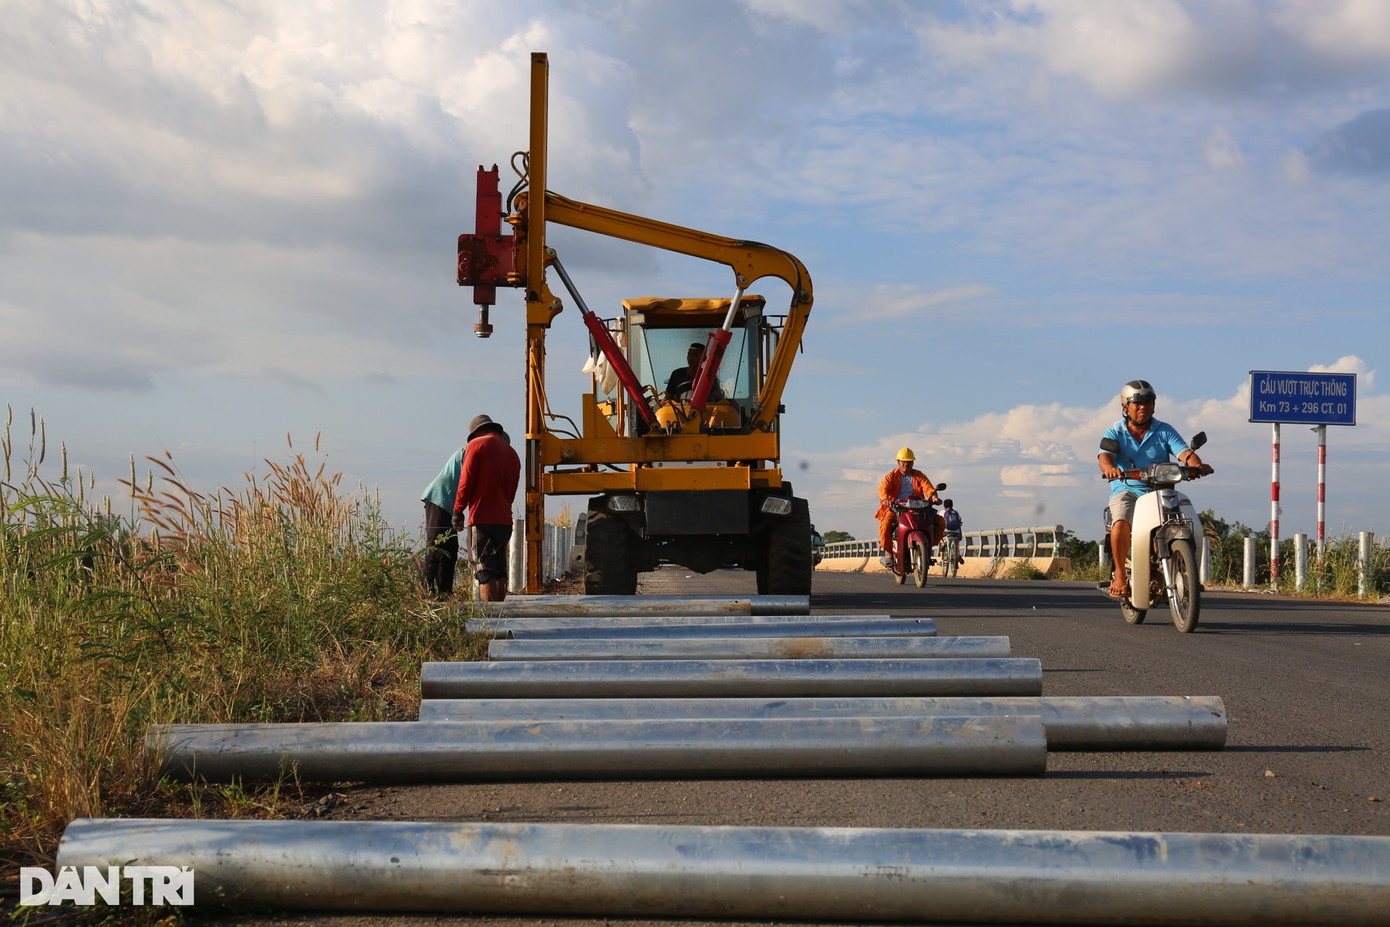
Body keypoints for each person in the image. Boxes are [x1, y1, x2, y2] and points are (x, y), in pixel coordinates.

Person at [1097, 379, 1211, 598]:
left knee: (1185, 521)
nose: (1143, 406)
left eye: (1148, 401)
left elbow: (1184, 453)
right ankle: (1120, 574)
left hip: (1161, 489)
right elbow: (1104, 455)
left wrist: (1196, 464)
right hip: (1127, 488)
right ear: (1125, 406)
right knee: (1121, 519)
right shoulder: (1115, 432)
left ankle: (1188, 574)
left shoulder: (1164, 430)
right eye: (1137, 402)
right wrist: (1110, 468)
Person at [453, 414, 522, 602]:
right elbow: (511, 492)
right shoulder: (513, 454)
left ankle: (489, 624)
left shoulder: (476, 446)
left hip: (482, 520)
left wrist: (458, 510)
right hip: (504, 522)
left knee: (484, 572)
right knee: (500, 571)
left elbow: (465, 481)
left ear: (478, 432)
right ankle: (500, 618)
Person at [874, 447, 945, 565]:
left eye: (909, 462)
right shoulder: (891, 476)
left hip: (918, 507)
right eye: (904, 462)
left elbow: (927, 487)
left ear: (913, 463)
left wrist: (933, 497)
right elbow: (883, 488)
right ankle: (889, 554)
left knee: (940, 521)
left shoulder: (919, 475)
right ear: (898, 462)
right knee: (885, 524)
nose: (906, 464)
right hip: (896, 507)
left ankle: (929, 546)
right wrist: (885, 499)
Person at [419, 442, 467, 598]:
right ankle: (425, 592)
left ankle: (444, 593)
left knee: (450, 549)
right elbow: (468, 482)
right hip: (440, 497)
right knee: (435, 545)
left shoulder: (476, 452)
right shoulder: (470, 451)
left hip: (450, 503)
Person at [940, 499, 964, 576]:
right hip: (956, 532)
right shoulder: (956, 513)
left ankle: (943, 558)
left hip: (946, 532)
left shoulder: (942, 512)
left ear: (944, 506)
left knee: (940, 539)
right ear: (952, 505)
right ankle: (957, 555)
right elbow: (960, 522)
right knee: (956, 542)